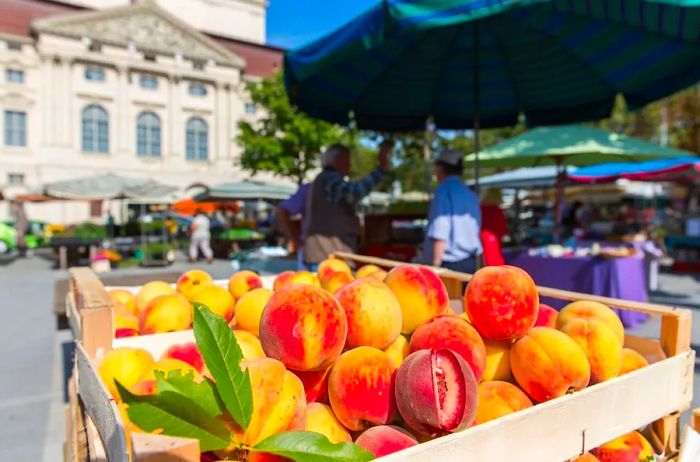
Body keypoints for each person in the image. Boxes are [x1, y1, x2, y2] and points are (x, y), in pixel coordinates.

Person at [304, 141, 392, 268]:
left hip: (325, 256)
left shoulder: (323, 178)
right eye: (347, 160)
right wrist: (380, 169)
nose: (349, 165)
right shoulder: (330, 178)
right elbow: (355, 192)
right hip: (329, 257)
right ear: (337, 159)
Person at [421, 150, 482, 273]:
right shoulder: (469, 192)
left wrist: (435, 266)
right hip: (472, 261)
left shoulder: (443, 191)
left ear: (441, 168)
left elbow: (440, 229)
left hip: (450, 265)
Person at [276, 183, 310, 269]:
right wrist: (294, 238)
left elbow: (282, 211)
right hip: (311, 254)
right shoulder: (309, 189)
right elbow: (282, 211)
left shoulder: (309, 189)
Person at [480, 188, 507, 266]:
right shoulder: (497, 211)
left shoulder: (480, 209)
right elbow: (503, 230)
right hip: (493, 242)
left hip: (479, 240)